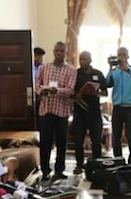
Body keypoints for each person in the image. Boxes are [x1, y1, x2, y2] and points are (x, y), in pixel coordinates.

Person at [35, 41, 77, 180]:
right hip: (46, 110)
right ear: (53, 51)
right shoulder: (45, 68)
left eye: (62, 51)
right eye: (57, 50)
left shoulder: (71, 70)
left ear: (65, 53)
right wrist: (41, 90)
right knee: (45, 142)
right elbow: (37, 84)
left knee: (61, 142)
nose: (59, 53)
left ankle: (59, 170)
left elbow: (70, 89)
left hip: (62, 111)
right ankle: (45, 171)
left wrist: (57, 90)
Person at [72, 51, 108, 174]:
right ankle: (79, 165)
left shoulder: (97, 73)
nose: (83, 62)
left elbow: (105, 92)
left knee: (96, 140)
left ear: (90, 60)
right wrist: (77, 95)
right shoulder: (75, 74)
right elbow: (70, 92)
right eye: (81, 59)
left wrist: (96, 93)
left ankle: (96, 164)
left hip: (94, 113)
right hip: (79, 113)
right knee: (78, 141)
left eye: (85, 59)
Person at [106, 47, 131, 164]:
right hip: (117, 108)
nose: (121, 57)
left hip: (129, 108)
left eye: (124, 55)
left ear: (128, 56)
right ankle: (118, 159)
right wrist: (110, 67)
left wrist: (127, 69)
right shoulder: (114, 71)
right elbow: (106, 83)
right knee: (116, 136)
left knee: (130, 135)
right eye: (119, 55)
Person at [34, 47, 46, 115]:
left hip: (40, 94)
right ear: (35, 56)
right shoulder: (29, 66)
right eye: (40, 57)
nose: (42, 59)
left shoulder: (44, 68)